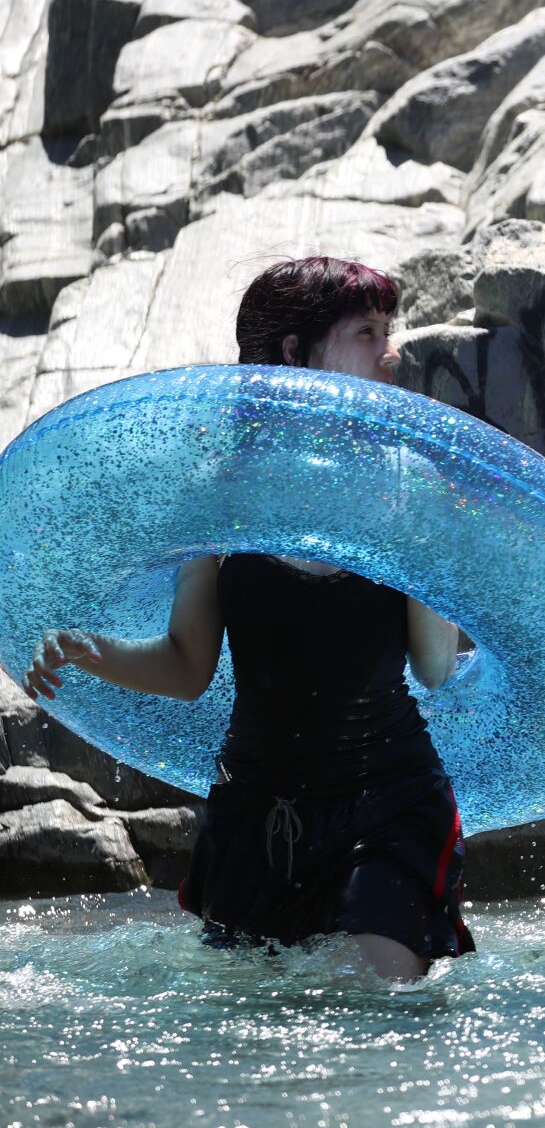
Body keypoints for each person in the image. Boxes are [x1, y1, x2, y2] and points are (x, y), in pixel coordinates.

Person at [19, 256, 476, 981]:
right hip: (259, 814)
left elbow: (434, 665)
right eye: (366, 332)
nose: (393, 353)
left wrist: (428, 557)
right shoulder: (222, 499)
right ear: (296, 354)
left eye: (390, 330)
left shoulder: (403, 484)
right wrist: (89, 651)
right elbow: (187, 665)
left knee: (381, 991)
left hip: (386, 801)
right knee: (254, 1026)